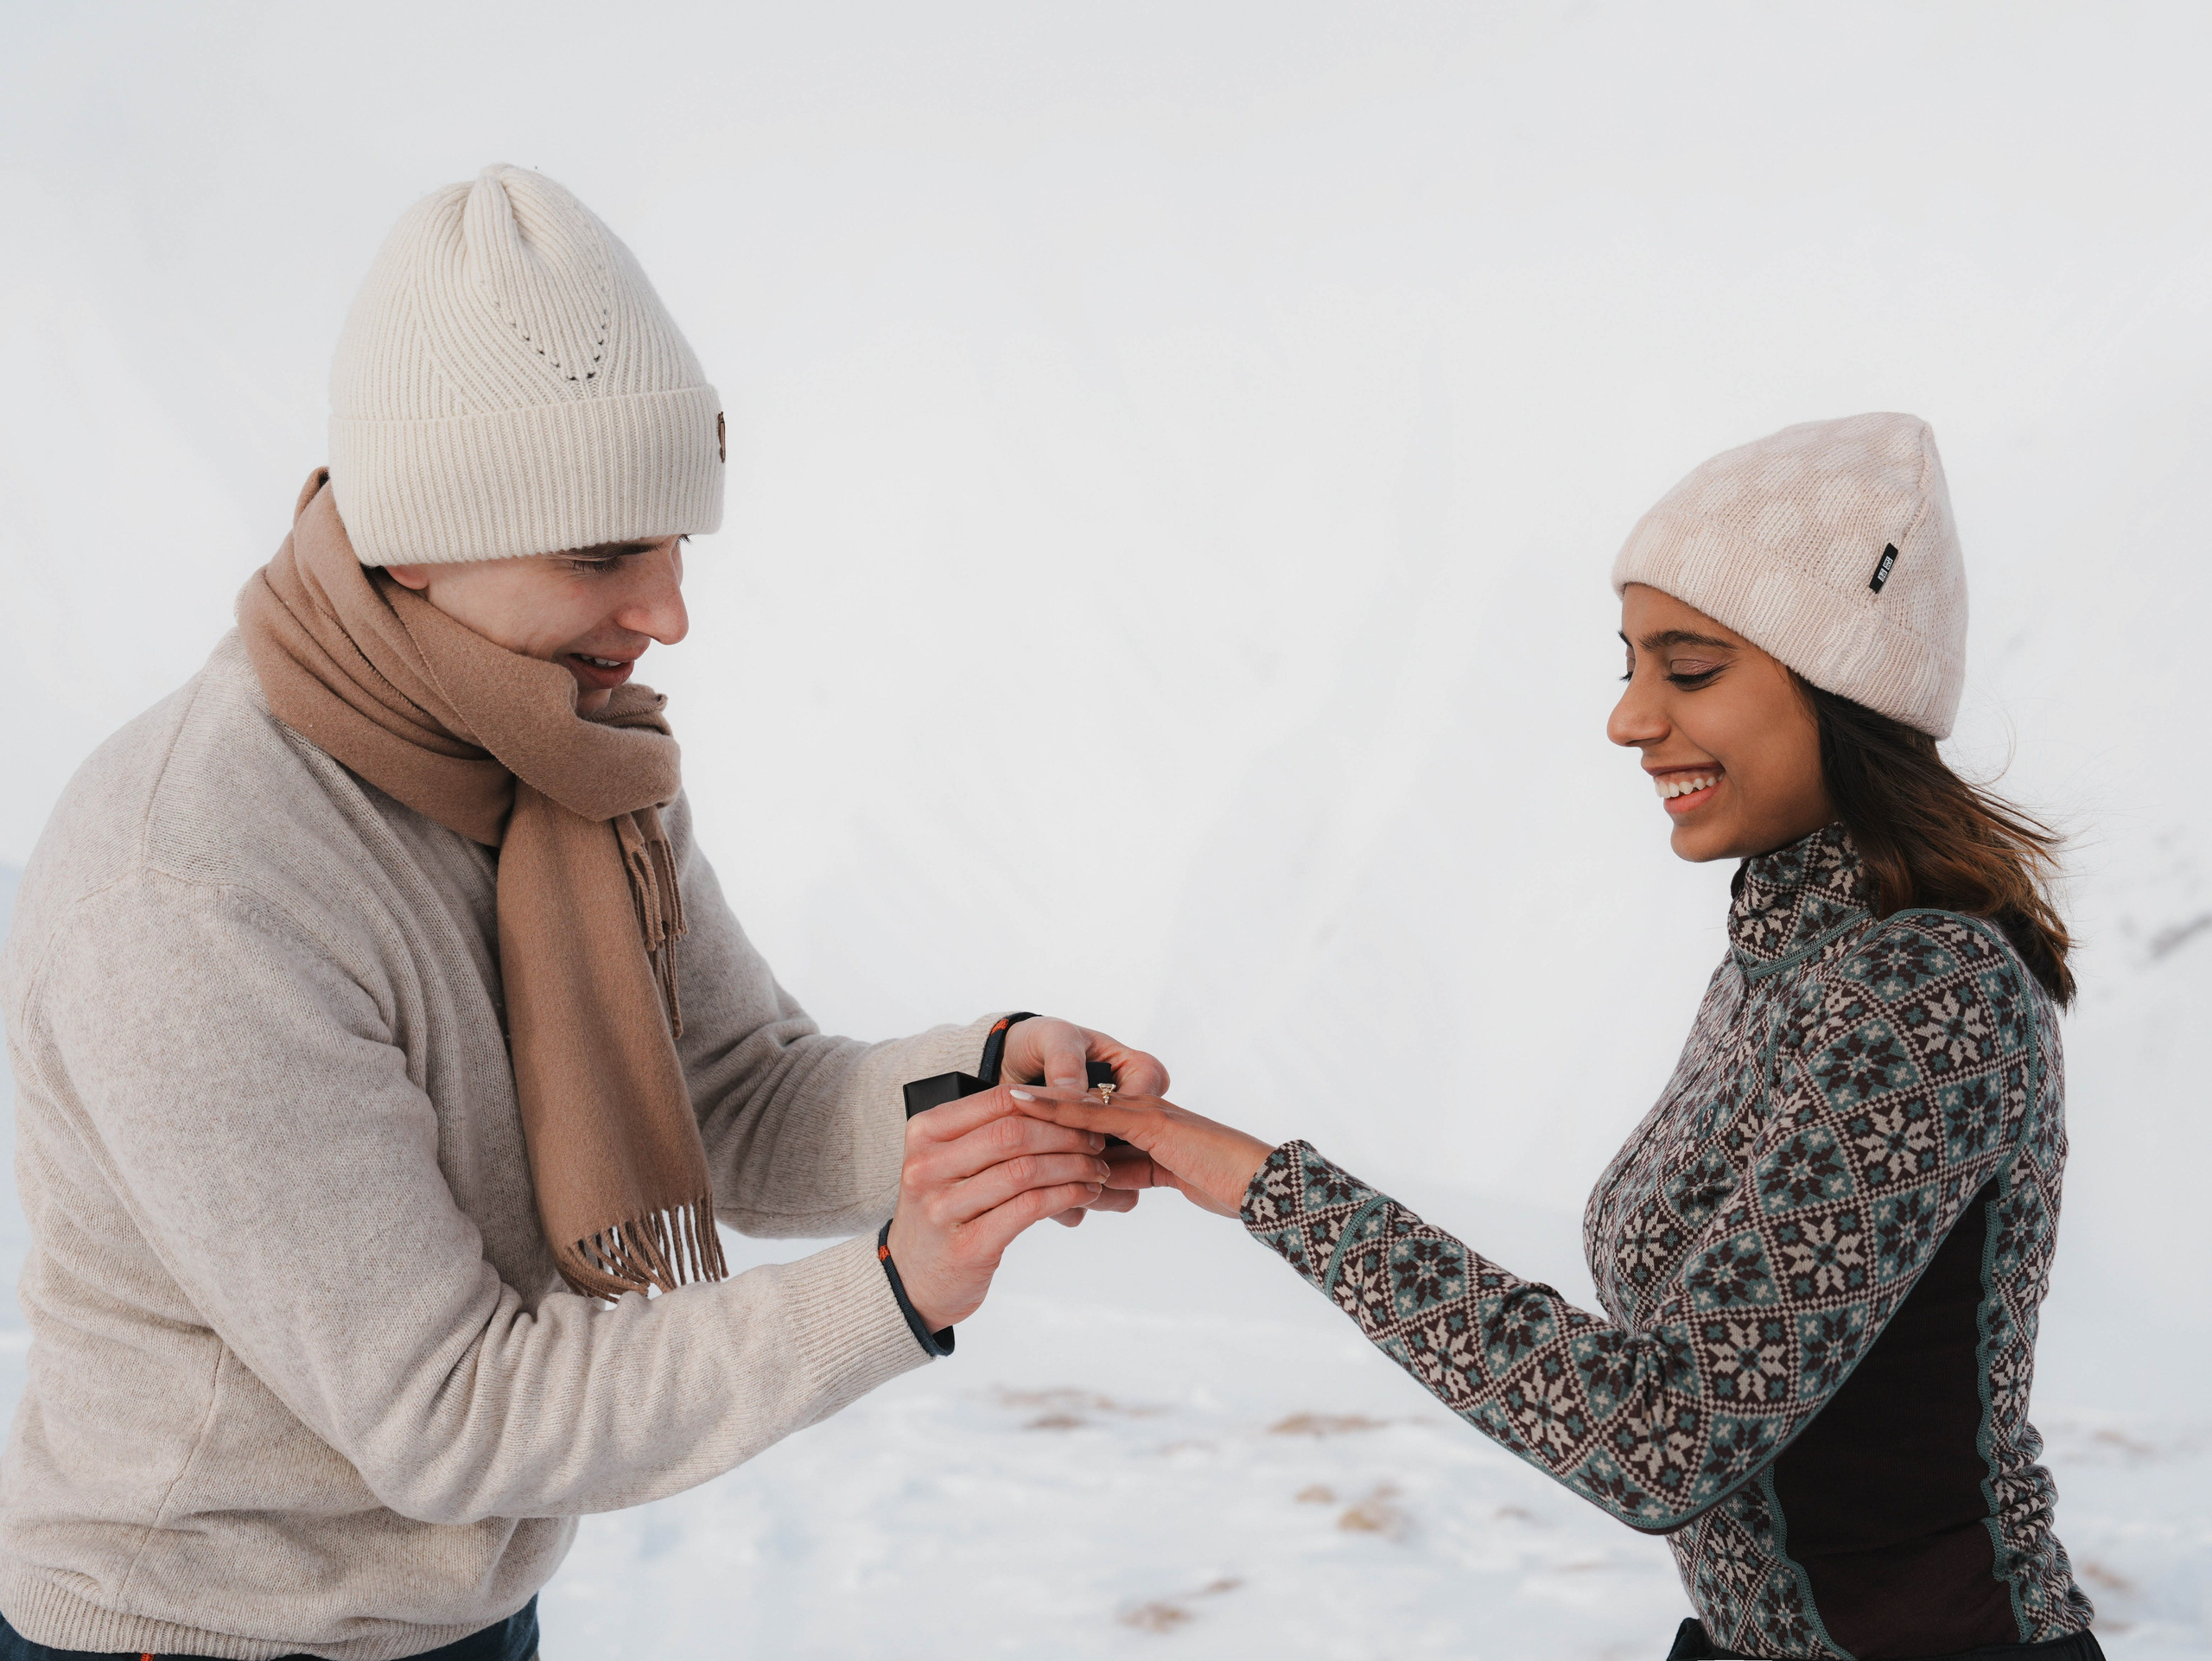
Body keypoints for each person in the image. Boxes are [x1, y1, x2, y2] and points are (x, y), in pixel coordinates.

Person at [0, 165, 1160, 1661]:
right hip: (194, 1636)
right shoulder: (193, 885)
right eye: (604, 554)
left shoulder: (571, 754)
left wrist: (982, 1088)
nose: (671, 611)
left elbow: (730, 1091)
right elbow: (449, 1407)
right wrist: (891, 1289)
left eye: (676, 539)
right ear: (415, 541)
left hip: (460, 1616)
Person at [1008, 414, 2101, 1661]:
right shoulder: (1782, 960)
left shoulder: (1925, 993)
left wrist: (1268, 1185)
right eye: (1629, 663)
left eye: (1689, 670)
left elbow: (1666, 1430)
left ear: (1843, 685)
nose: (1629, 718)